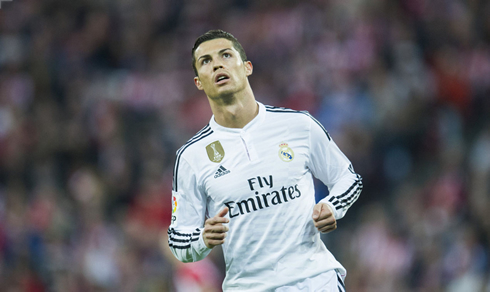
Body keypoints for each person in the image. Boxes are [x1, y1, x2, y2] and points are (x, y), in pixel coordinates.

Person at [167, 29, 362, 291]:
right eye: (206, 61)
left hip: (314, 280)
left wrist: (331, 206)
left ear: (247, 67)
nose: (217, 64)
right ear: (198, 82)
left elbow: (348, 178)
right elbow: (179, 239)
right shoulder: (191, 157)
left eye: (226, 55)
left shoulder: (298, 125)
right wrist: (203, 239)